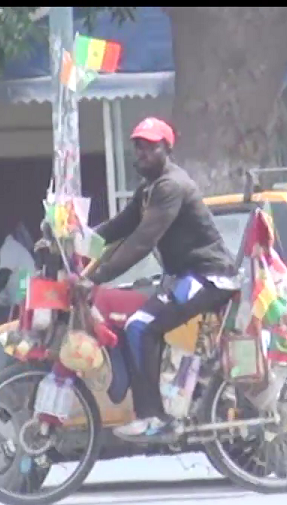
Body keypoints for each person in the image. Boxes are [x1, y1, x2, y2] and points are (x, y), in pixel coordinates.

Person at [78, 117, 240, 441]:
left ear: (167, 148)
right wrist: (73, 242)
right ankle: (170, 400)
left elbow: (141, 241)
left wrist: (96, 277)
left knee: (140, 326)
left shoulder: (171, 186)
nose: (142, 153)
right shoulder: (148, 191)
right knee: (140, 325)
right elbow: (115, 230)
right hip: (189, 276)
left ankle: (153, 417)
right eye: (138, 147)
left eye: (151, 147)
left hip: (209, 276)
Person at [0, 224, 36, 324]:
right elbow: (2, 293)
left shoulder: (9, 248)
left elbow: (0, 281)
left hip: (25, 304)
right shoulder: (6, 255)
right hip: (19, 303)